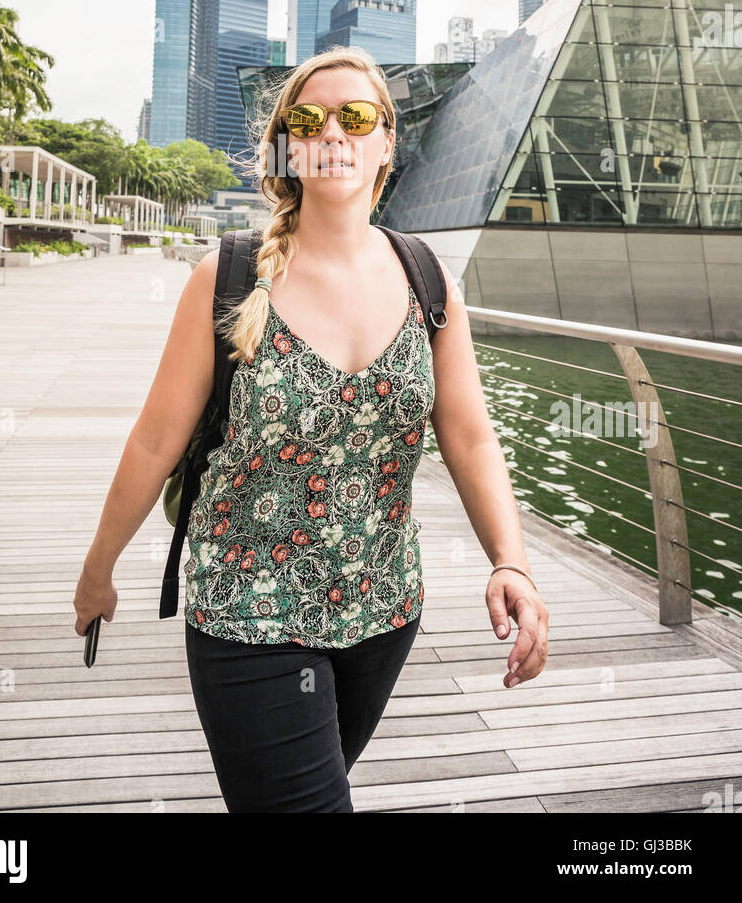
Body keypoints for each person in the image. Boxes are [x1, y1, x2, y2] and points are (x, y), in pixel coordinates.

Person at [73, 47, 549, 812]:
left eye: (355, 116)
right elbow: (156, 443)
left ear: (387, 141)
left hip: (383, 610)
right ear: (290, 144)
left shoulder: (430, 281)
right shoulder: (227, 277)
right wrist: (99, 571)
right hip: (248, 612)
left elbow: (470, 438)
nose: (332, 131)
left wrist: (512, 562)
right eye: (308, 117)